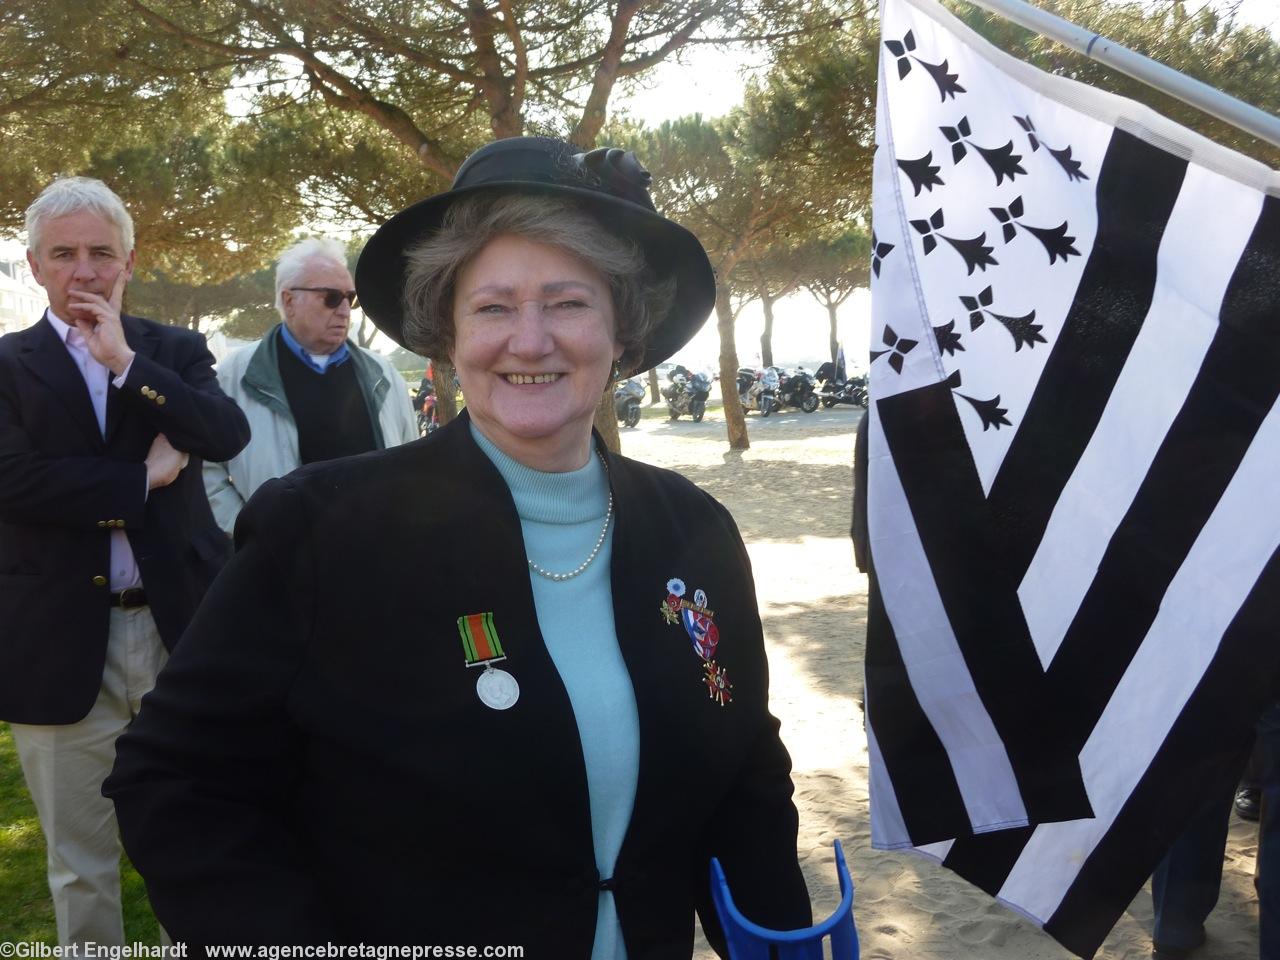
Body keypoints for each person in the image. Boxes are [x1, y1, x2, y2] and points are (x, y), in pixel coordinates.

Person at [104, 137, 811, 955]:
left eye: (569, 302)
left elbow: (746, 773)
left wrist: (784, 941)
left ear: (623, 331)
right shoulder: (322, 529)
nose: (532, 339)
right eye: (494, 307)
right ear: (447, 336)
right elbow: (174, 779)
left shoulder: (694, 529)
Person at [0, 177, 250, 946]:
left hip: (180, 630)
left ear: (129, 261)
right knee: (81, 863)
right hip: (58, 641)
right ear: (36, 265)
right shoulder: (6, 365)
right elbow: (13, 480)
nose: (85, 270)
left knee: (199, 839)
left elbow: (224, 431)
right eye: (65, 254)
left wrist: (124, 362)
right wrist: (143, 479)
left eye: (101, 253)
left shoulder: (170, 351)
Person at [203, 237, 417, 534]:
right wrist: (250, 534)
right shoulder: (234, 377)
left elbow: (412, 458)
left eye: (350, 298)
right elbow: (205, 471)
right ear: (289, 301)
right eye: (331, 297)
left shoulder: (382, 374)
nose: (345, 310)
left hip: (377, 551)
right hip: (285, 565)